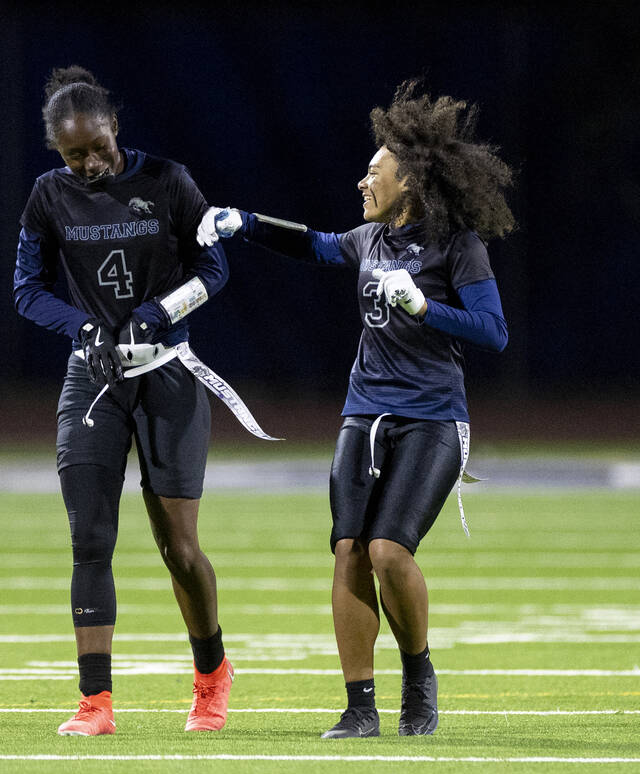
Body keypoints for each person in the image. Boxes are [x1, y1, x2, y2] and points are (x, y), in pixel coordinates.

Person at [198, 79, 515, 738]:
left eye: (375, 172)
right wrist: (245, 223)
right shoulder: (368, 241)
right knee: (348, 551)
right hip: (363, 416)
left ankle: (419, 674)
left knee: (389, 552)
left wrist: (426, 306)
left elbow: (493, 331)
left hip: (432, 418)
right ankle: (359, 706)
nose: (362, 182)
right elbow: (316, 243)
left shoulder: (456, 244)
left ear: (412, 180)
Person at [12, 66, 235, 736]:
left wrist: (156, 313)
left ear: (116, 128)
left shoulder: (169, 180)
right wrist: (82, 329)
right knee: (89, 541)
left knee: (179, 548)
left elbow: (214, 267)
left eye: (97, 147)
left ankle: (211, 675)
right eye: (73, 154)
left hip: (167, 374)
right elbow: (27, 289)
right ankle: (95, 703)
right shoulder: (47, 196)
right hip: (93, 381)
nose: (88, 164)